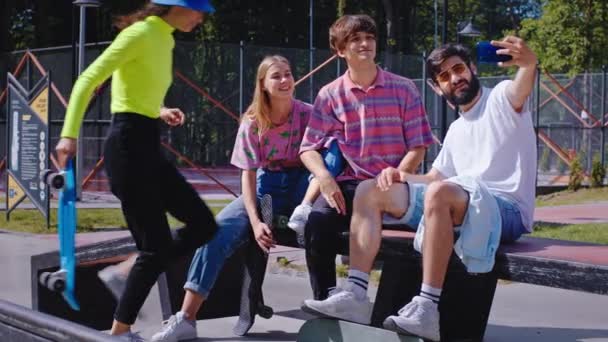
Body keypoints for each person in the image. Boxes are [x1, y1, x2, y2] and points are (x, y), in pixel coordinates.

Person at [302, 37, 538, 341]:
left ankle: (427, 307)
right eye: (444, 76)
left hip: (506, 210)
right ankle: (356, 296)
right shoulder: (456, 129)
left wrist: (529, 64)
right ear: (437, 88)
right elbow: (434, 177)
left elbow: (521, 87)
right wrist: (398, 175)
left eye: (459, 69)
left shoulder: (501, 98)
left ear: (473, 69)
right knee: (369, 190)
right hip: (460, 200)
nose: (455, 78)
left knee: (441, 193)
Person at [150, 55, 343, 342]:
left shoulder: (309, 113)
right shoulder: (253, 122)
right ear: (263, 84)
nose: (285, 80)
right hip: (267, 188)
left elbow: (331, 153)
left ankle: (327, 318)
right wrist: (255, 221)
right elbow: (249, 177)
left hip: (306, 185)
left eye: (288, 74)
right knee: (215, 232)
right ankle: (186, 319)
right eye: (276, 76)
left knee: (323, 203)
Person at [55, 1, 218, 340]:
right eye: (196, 10)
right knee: (156, 247)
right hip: (127, 148)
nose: (200, 18)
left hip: (147, 143)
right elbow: (89, 78)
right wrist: (68, 134)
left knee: (203, 225)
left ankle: (125, 272)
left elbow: (135, 89)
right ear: (174, 6)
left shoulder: (166, 38)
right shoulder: (138, 33)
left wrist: (160, 110)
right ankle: (120, 332)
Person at [298, 14, 434, 302]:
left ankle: (396, 300)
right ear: (340, 51)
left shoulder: (404, 88)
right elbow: (308, 148)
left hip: (394, 186)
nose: (365, 44)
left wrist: (398, 173)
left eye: (369, 38)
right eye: (355, 39)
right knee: (317, 221)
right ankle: (328, 301)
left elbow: (419, 146)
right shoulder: (330, 95)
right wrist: (324, 178)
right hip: (350, 186)